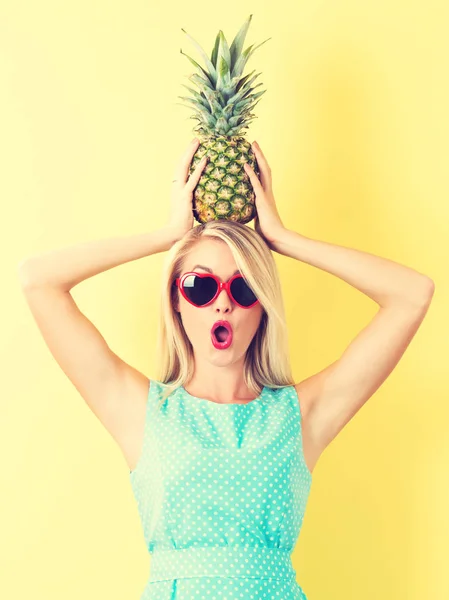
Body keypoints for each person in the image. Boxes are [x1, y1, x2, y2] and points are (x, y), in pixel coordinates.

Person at [18, 139, 434, 599]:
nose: (222, 303)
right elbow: (38, 280)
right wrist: (166, 236)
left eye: (244, 288)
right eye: (199, 286)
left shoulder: (301, 416)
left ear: (263, 306)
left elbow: (412, 294)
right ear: (176, 303)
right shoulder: (141, 411)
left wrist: (283, 240)